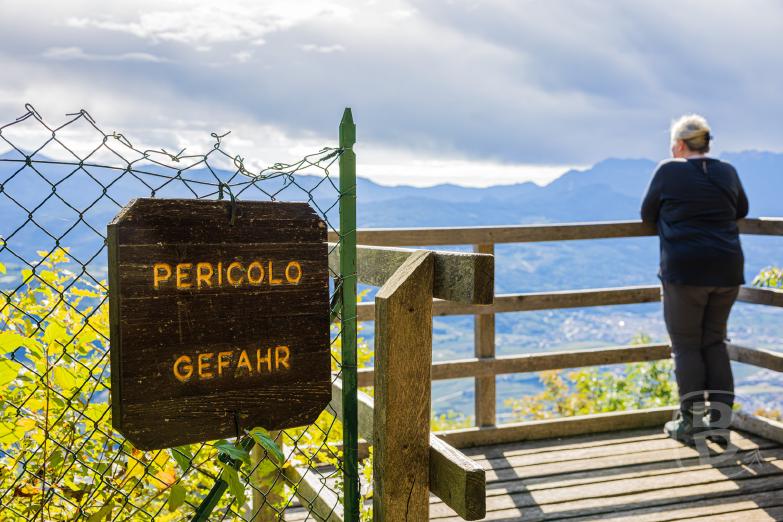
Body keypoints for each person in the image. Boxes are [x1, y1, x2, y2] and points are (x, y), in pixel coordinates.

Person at [641, 114, 749, 445]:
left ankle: (689, 423)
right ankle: (719, 425)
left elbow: (647, 215)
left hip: (685, 271)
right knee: (714, 342)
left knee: (686, 345)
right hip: (727, 269)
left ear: (678, 145)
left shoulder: (668, 170)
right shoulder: (727, 171)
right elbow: (742, 210)